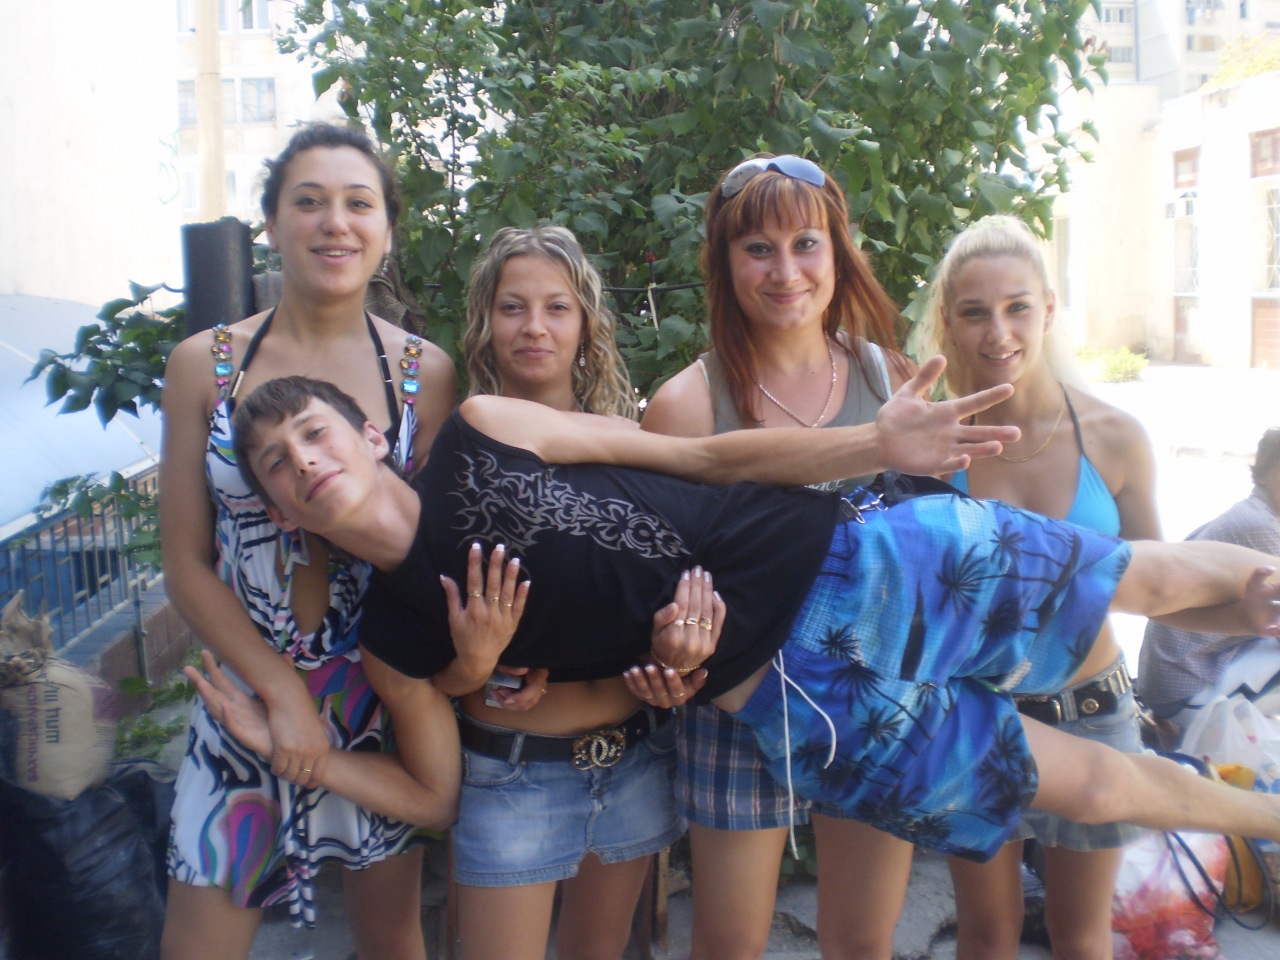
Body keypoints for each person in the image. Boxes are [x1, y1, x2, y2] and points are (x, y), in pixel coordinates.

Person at [210, 373, 1280, 874]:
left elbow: (699, 458)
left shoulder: (483, 431)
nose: (304, 461)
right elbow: (433, 796)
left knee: (1132, 577)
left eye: (314, 433)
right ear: (279, 509)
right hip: (792, 701)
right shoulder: (398, 642)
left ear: (368, 432)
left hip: (854, 557)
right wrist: (308, 749)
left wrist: (874, 445)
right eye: (277, 465)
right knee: (1088, 788)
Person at [158, 122, 457, 960]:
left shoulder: (422, 373)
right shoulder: (205, 365)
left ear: (387, 228)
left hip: (381, 697)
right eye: (309, 202)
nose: (335, 222)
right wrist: (280, 696)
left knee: (390, 937)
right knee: (198, 943)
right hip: (247, 697)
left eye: (359, 203)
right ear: (272, 222)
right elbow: (184, 561)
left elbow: (434, 546)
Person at [640, 153, 917, 960]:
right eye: (757, 248)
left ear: (838, 251)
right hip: (737, 705)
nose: (785, 271)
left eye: (805, 243)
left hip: (875, 697)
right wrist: (667, 645)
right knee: (728, 945)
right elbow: (652, 579)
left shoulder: (893, 381)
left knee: (863, 942)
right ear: (725, 262)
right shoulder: (686, 404)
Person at [922, 215, 1159, 960]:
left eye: (1017, 307)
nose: (999, 332)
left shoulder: (1115, 437)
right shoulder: (931, 449)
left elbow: (1159, 581)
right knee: (986, 935)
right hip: (976, 716)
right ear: (949, 322)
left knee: (1080, 938)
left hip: (1094, 713)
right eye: (975, 312)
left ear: (1048, 309)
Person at [446, 225, 681, 960]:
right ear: (485, 323)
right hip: (510, 768)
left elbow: (655, 593)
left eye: (557, 307)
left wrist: (677, 657)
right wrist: (480, 664)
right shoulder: (462, 450)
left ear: (585, 324)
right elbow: (420, 627)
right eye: (513, 307)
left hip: (633, 760)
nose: (535, 327)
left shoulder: (627, 440)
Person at [1140, 428, 1280, 738]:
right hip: (1187, 687)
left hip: (1175, 676)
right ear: (1265, 472)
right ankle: (1208, 734)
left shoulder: (1254, 512)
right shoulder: (1260, 526)